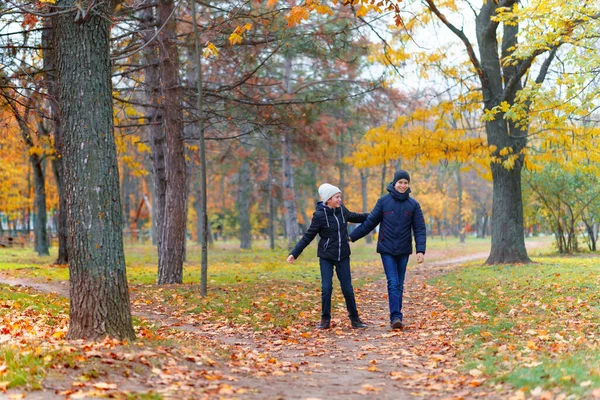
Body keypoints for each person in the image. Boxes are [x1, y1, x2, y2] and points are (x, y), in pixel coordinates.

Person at [349, 170, 426, 330]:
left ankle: (396, 316)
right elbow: (370, 222)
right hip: (387, 248)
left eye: (406, 182)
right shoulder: (383, 202)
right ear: (394, 183)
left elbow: (419, 228)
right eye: (400, 182)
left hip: (404, 249)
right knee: (393, 281)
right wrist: (353, 236)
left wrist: (420, 250)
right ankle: (396, 317)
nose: (403, 185)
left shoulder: (413, 205)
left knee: (400, 284)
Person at [287, 183, 369, 330]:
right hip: (326, 256)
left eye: (340, 197)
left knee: (348, 289)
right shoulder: (319, 215)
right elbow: (308, 236)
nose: (340, 200)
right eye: (337, 197)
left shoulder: (342, 210)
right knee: (326, 288)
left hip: (343, 255)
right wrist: (294, 253)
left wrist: (376, 215)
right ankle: (325, 320)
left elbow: (356, 217)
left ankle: (355, 319)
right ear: (328, 199)